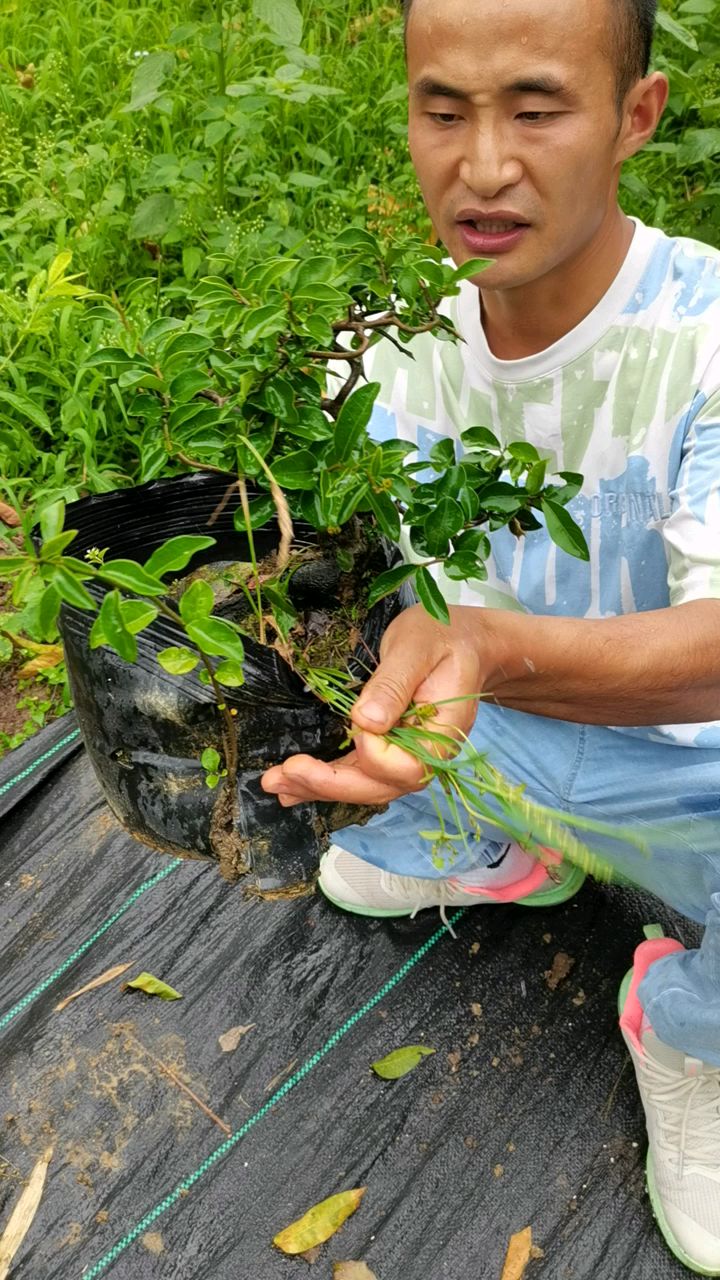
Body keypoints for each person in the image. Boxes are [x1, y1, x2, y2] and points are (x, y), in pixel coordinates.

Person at [262, 0, 720, 1271]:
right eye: (442, 109)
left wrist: (494, 650)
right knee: (350, 847)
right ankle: (501, 842)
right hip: (476, 740)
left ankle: (687, 1026)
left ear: (636, 116)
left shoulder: (705, 333)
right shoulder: (377, 349)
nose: (481, 165)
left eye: (535, 107)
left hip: (687, 771)